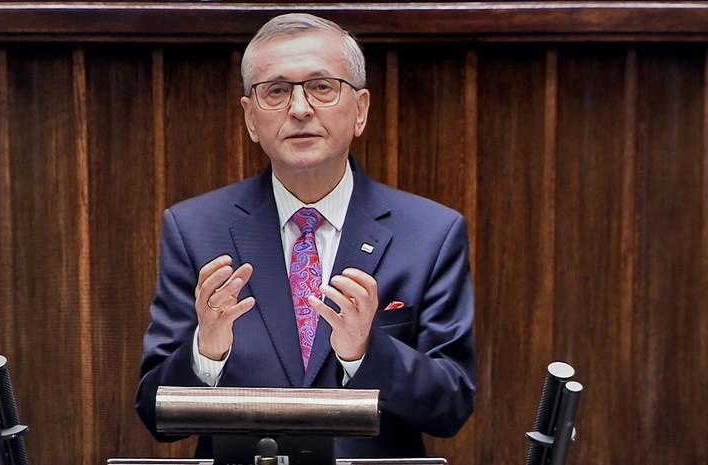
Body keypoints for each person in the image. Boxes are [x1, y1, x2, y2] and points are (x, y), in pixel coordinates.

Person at [135, 13, 475, 459]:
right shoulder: (195, 229)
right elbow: (153, 413)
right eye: (276, 91)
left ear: (360, 110)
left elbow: (451, 405)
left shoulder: (431, 233)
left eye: (321, 87)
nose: (299, 109)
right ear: (251, 118)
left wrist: (365, 352)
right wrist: (205, 353)